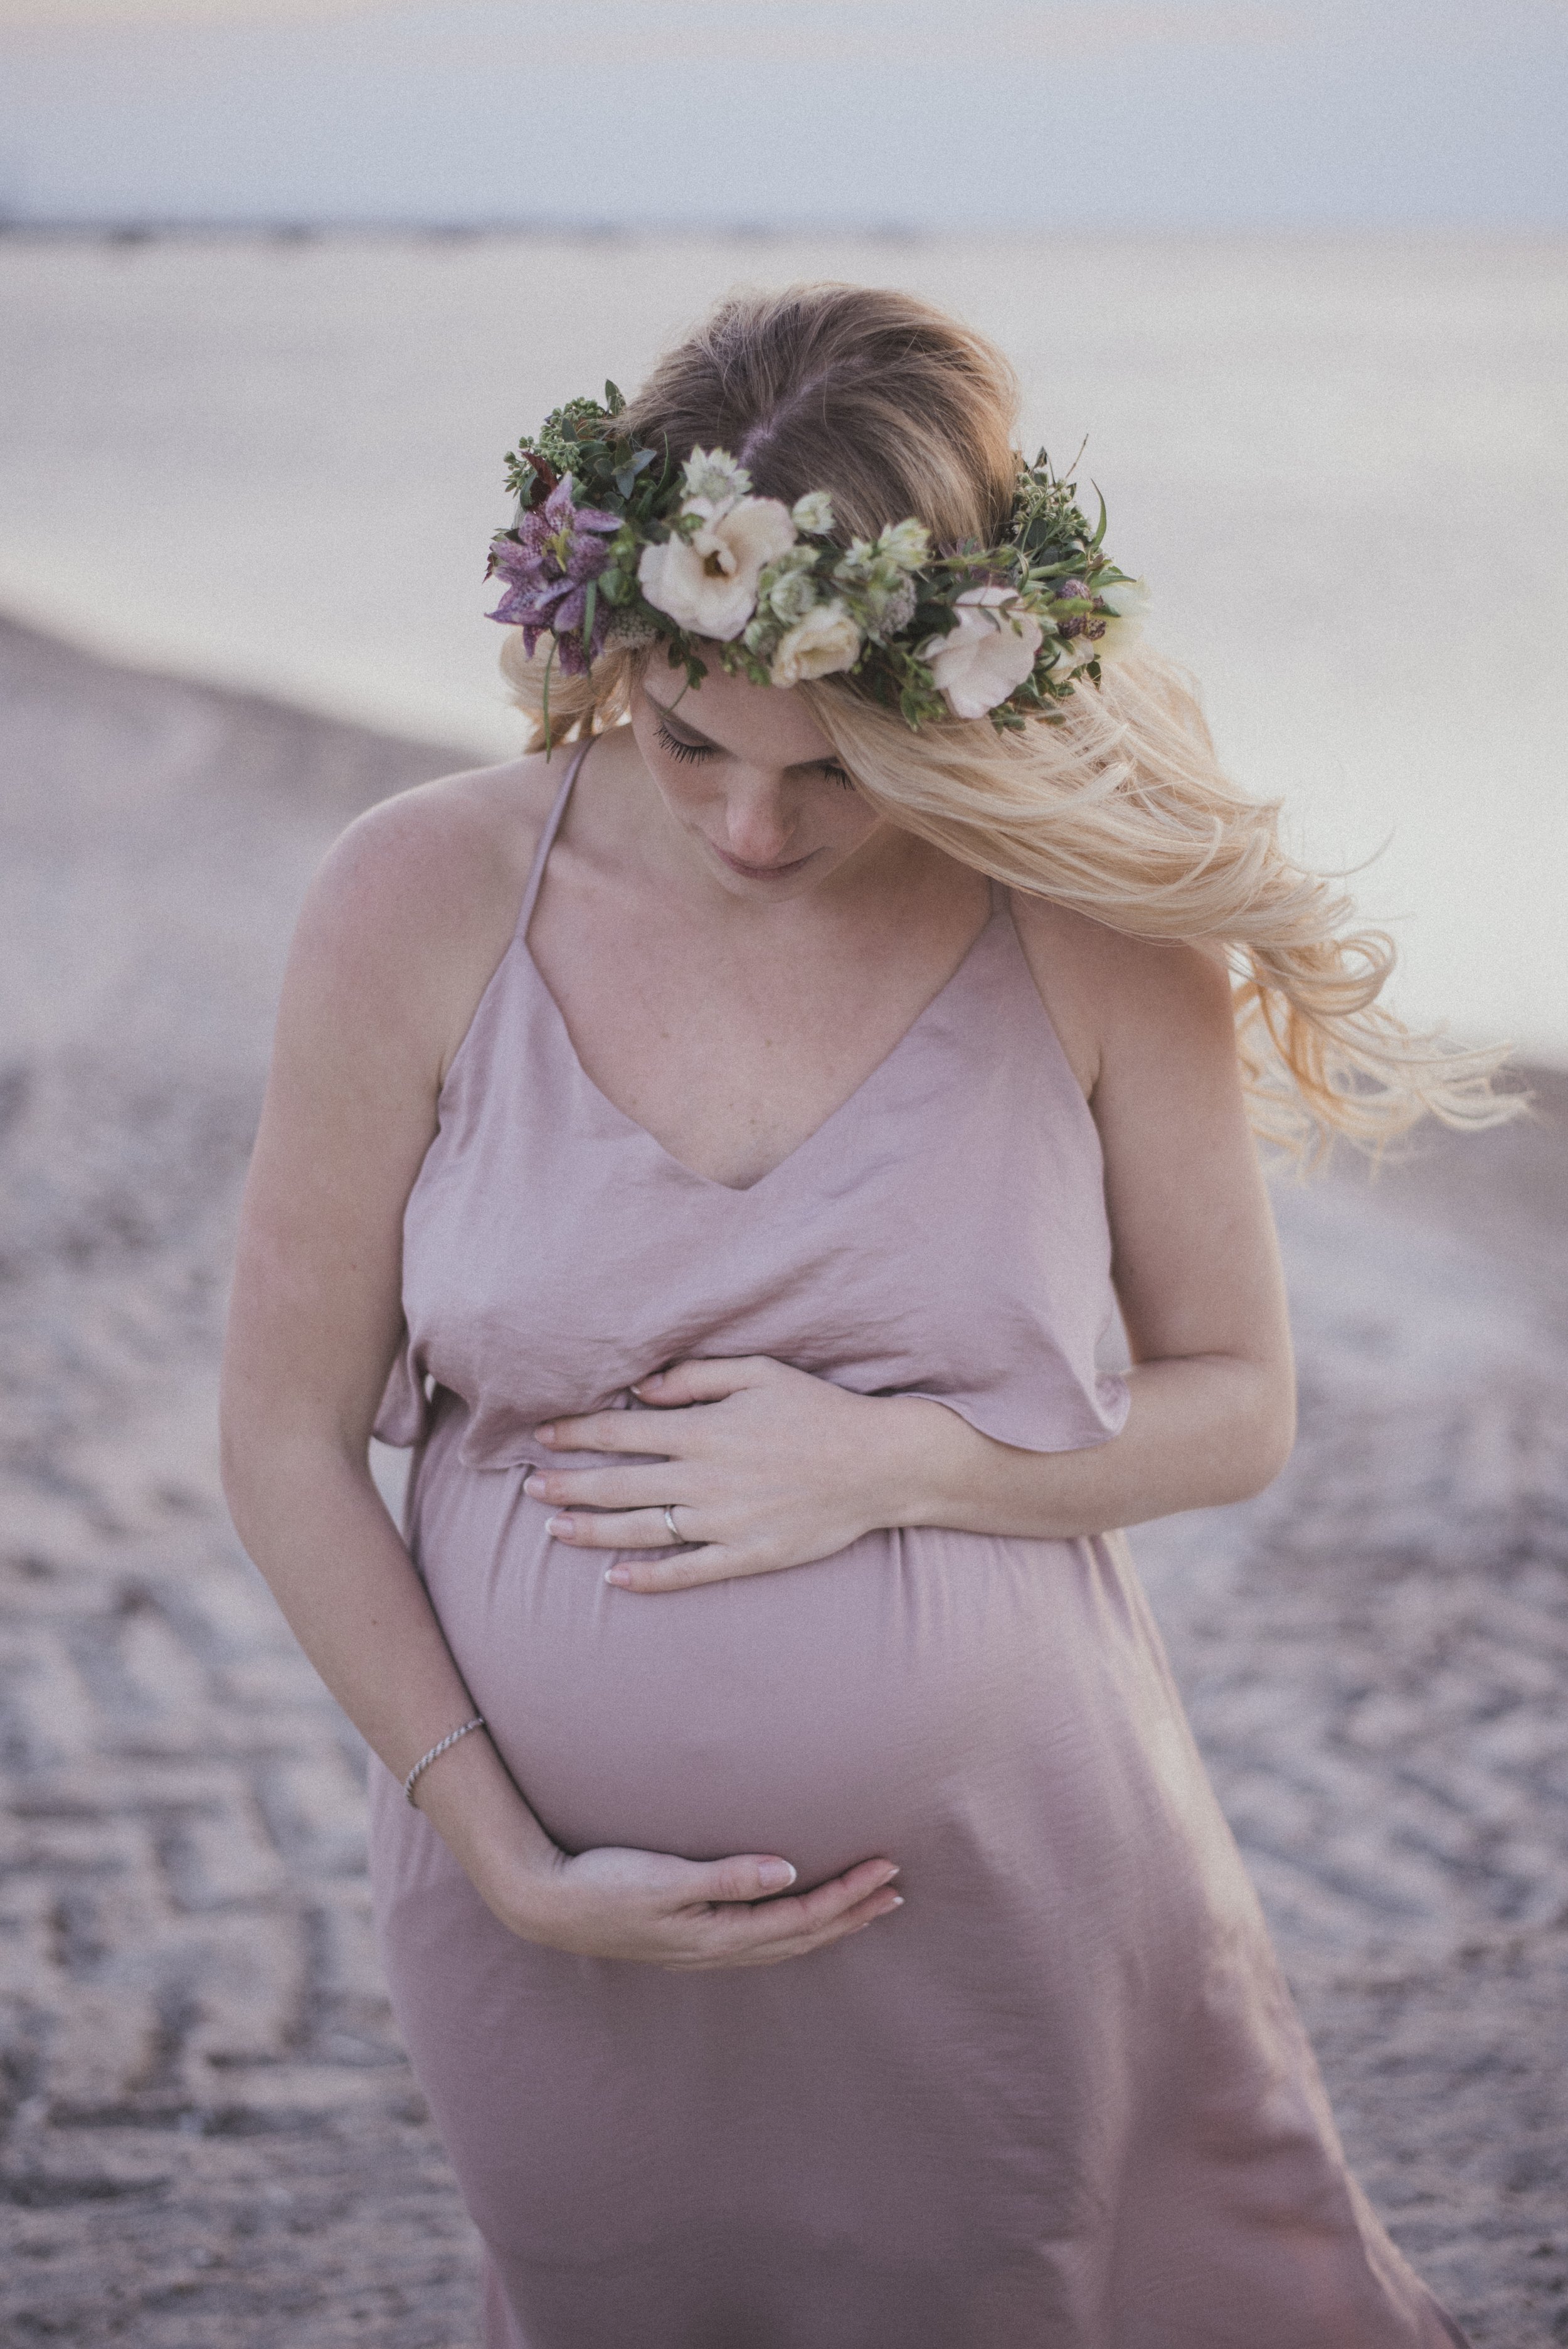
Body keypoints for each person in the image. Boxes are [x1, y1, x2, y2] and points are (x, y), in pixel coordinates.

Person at [220, 284, 1502, 2347]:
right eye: (688, 739)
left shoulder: (1086, 928)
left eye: (836, 771)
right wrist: (499, 1847)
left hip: (998, 1903)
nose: (752, 828)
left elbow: (1236, 1402)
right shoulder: (416, 901)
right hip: (551, 1931)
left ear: (959, 685)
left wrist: (899, 1464)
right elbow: (283, 1435)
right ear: (613, 639)